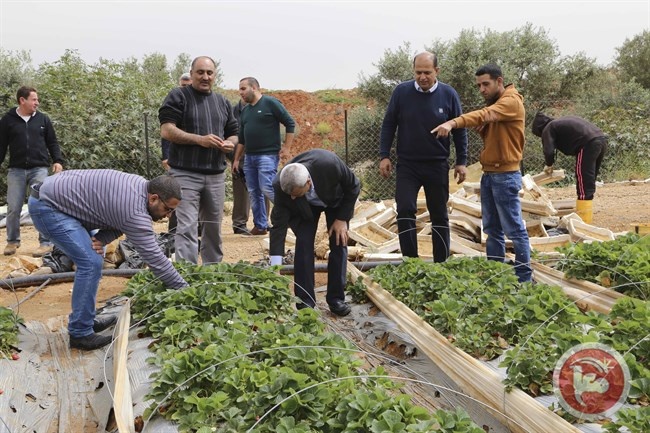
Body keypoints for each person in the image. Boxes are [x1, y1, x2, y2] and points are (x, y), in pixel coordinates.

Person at [27, 169, 188, 350]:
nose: (168, 215)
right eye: (168, 209)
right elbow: (155, 258)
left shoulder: (139, 187)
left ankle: (85, 318)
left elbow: (118, 218)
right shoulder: (134, 210)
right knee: (90, 262)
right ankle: (80, 333)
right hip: (49, 206)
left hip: (62, 199)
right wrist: (184, 288)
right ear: (153, 198)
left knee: (96, 252)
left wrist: (103, 238)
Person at [432, 64, 532, 283]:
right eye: (478, 85)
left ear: (499, 81)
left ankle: (524, 279)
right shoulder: (498, 103)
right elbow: (493, 128)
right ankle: (496, 276)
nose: (481, 90)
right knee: (492, 229)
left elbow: (484, 115)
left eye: (485, 84)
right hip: (490, 174)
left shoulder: (511, 101)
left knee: (514, 229)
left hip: (505, 176)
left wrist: (452, 122)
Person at [379, 52, 468, 263]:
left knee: (439, 214)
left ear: (437, 71)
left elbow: (460, 129)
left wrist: (461, 161)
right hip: (407, 165)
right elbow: (389, 124)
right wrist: (384, 155)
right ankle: (411, 262)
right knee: (405, 210)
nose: (422, 77)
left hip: (437, 164)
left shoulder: (448, 94)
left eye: (427, 72)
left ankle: (441, 263)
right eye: (418, 72)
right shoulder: (401, 92)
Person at [158, 56, 238, 264]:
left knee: (213, 225)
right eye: (200, 72)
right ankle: (189, 275)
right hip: (185, 173)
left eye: (209, 73)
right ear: (192, 74)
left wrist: (230, 142)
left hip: (215, 175)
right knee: (187, 225)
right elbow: (167, 130)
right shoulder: (178, 96)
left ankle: (212, 273)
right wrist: (199, 140)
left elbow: (234, 132)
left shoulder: (222, 102)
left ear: (214, 75)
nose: (205, 77)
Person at [269, 149, 360, 316]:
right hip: (306, 209)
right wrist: (275, 263)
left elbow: (354, 186)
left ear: (308, 182)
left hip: (335, 200)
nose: (292, 198)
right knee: (303, 244)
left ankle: (336, 299)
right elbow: (278, 226)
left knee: (339, 242)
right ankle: (305, 303)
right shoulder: (282, 186)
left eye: (296, 194)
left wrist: (342, 219)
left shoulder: (329, 164)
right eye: (291, 196)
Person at [0, 86, 65, 257]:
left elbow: (53, 143)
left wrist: (58, 160)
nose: (37, 102)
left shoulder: (43, 119)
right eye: (34, 99)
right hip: (16, 170)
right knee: (13, 207)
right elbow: (1, 146)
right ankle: (12, 242)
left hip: (39, 169)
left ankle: (45, 243)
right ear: (23, 100)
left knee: (41, 205)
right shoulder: (8, 120)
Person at [233, 77, 295, 236]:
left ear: (254, 87)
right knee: (254, 191)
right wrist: (236, 159)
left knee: (267, 187)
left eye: (243, 88)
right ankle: (260, 226)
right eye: (239, 89)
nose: (240, 92)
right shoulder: (245, 111)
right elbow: (242, 138)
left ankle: (292, 216)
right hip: (249, 158)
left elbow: (290, 123)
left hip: (267, 156)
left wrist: (286, 148)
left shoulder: (270, 103)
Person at [531, 112, 607, 224]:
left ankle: (584, 218)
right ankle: (587, 210)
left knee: (583, 177)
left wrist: (549, 164)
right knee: (589, 178)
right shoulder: (559, 122)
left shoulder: (548, 128)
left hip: (587, 143)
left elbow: (548, 150)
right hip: (601, 139)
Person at [161, 72, 193, 234]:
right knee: (175, 193)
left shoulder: (199, 102)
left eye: (188, 85)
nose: (185, 88)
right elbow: (166, 132)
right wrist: (165, 156)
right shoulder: (174, 101)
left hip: (195, 160)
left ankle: (196, 230)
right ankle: (173, 232)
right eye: (183, 85)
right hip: (176, 158)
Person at [228, 98, 251, 234]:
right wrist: (233, 157)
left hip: (260, 154)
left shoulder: (264, 109)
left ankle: (263, 222)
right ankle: (239, 224)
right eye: (241, 89)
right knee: (240, 191)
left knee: (264, 188)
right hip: (239, 155)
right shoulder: (232, 111)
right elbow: (228, 133)